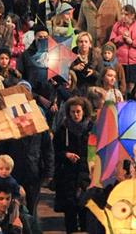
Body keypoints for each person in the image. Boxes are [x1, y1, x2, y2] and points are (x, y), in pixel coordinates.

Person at [52, 98, 92, 233]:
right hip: (67, 176)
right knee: (70, 214)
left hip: (86, 174)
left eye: (78, 112)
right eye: (73, 112)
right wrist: (66, 155)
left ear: (84, 111)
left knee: (85, 212)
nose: (76, 115)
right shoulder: (63, 130)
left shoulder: (91, 129)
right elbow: (55, 152)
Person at [109, 4, 136, 94]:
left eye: (126, 14)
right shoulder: (117, 25)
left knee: (131, 85)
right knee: (121, 84)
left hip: (134, 61)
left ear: (132, 15)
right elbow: (112, 40)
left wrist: (132, 42)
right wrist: (121, 38)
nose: (123, 16)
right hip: (120, 61)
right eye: (122, 14)